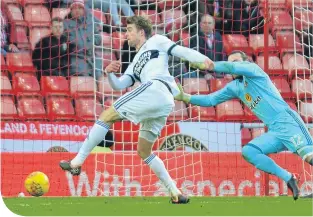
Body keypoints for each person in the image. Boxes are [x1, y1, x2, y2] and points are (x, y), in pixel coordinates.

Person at [59, 15, 211, 203]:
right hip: (163, 102)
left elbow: (181, 51)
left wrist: (204, 59)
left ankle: (76, 162)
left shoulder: (157, 40)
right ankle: (175, 192)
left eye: (129, 30)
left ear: (141, 32)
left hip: (156, 88)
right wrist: (110, 74)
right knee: (144, 151)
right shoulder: (134, 62)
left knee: (106, 115)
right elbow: (119, 84)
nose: (126, 34)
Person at [175, 50, 313, 201]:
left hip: (287, 121)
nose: (233, 65)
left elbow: (232, 68)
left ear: (245, 62)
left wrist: (211, 65)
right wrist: (186, 97)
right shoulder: (234, 87)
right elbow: (210, 100)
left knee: (308, 156)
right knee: (249, 151)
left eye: (236, 61)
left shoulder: (253, 70)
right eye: (230, 61)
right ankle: (288, 178)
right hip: (274, 131)